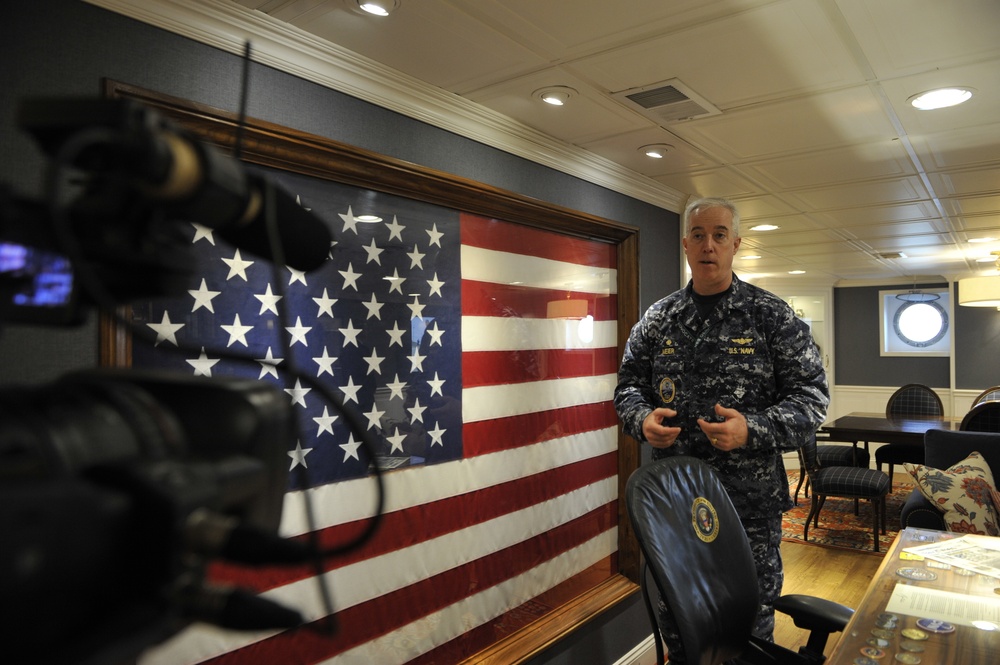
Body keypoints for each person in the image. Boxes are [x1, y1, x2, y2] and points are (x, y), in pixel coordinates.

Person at [614, 196, 829, 662]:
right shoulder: (658, 319)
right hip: (674, 507)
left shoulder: (772, 316)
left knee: (748, 629)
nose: (707, 245)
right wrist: (641, 419)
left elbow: (812, 401)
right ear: (686, 245)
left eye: (718, 236)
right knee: (681, 627)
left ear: (735, 244)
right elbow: (628, 387)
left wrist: (751, 429)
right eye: (698, 235)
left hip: (746, 507)